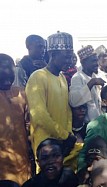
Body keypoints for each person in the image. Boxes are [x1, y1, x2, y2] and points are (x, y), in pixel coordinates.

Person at [26, 31, 82, 171]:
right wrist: (63, 135)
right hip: (46, 145)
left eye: (70, 57)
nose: (69, 61)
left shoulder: (62, 77)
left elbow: (66, 109)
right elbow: (39, 115)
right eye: (66, 57)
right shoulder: (38, 77)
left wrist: (68, 135)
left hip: (63, 141)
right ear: (53, 54)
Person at [0, 54, 31, 185]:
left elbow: (29, 124)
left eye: (11, 77)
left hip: (22, 161)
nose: (8, 82)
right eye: (3, 77)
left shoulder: (22, 93)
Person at [69, 45, 105, 122]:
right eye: (93, 61)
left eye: (96, 61)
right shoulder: (77, 77)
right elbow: (74, 101)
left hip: (98, 123)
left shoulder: (95, 76)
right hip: (87, 125)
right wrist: (92, 83)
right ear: (83, 62)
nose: (97, 64)